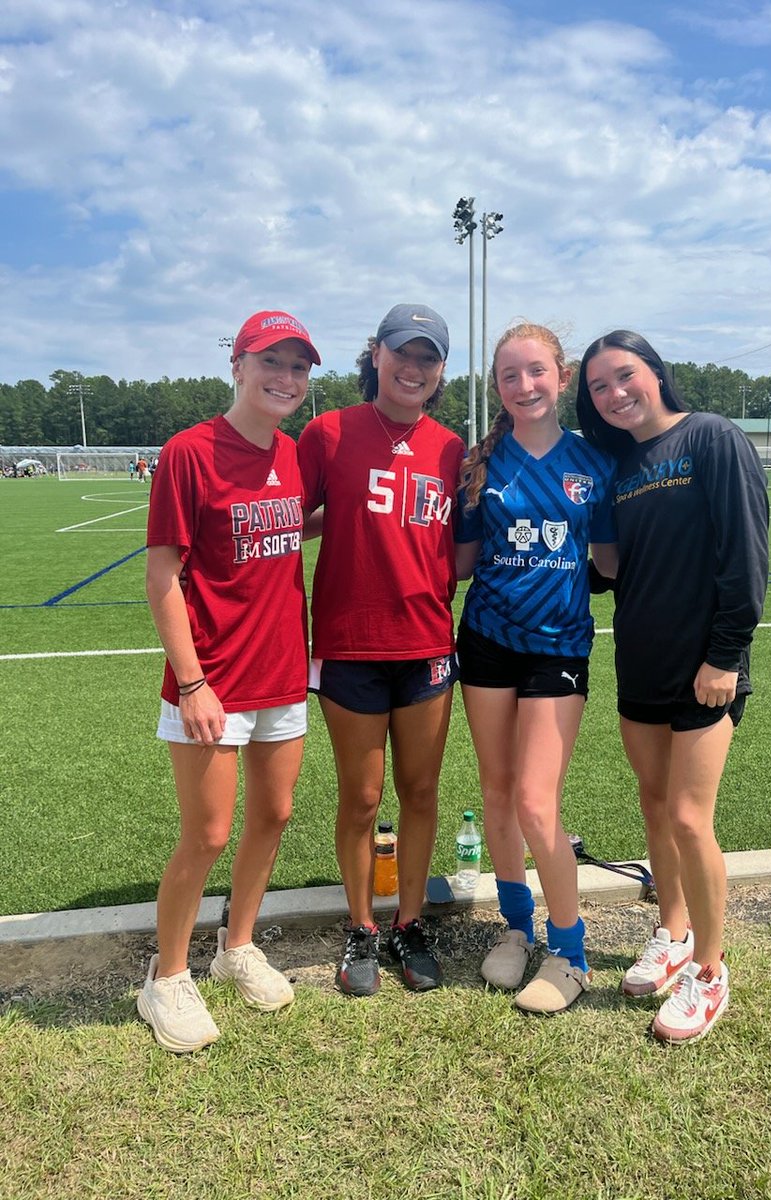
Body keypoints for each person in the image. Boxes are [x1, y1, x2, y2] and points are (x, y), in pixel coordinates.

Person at [576, 329, 769, 1043]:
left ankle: (711, 971)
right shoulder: (621, 466)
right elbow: (614, 569)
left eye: (625, 375)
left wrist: (726, 654)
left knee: (690, 818)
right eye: (598, 386)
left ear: (655, 372)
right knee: (655, 808)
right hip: (642, 661)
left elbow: (746, 554)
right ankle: (674, 932)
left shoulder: (712, 439)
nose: (615, 392)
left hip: (706, 668)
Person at [140, 309, 321, 1053]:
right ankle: (168, 975)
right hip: (210, 681)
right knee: (207, 832)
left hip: (282, 671)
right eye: (269, 362)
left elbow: (284, 523)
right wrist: (191, 682)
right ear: (238, 367)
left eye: (298, 367)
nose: (285, 379)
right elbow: (163, 576)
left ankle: (237, 945)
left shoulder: (295, 453)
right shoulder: (190, 452)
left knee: (273, 816)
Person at [297, 304, 464, 997]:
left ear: (441, 371)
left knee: (420, 791)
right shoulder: (328, 432)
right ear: (375, 353)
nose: (414, 368)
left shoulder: (453, 450)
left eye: (428, 358)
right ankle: (363, 926)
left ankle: (411, 923)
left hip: (426, 644)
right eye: (403, 352)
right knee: (362, 798)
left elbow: (464, 540)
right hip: (349, 646)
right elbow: (292, 518)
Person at [455, 323, 617, 1015]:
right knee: (496, 793)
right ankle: (517, 931)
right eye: (510, 376)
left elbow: (610, 562)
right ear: (498, 388)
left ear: (562, 375)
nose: (524, 386)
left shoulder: (595, 462)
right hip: (488, 642)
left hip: (558, 648)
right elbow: (460, 564)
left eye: (536, 372)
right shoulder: (479, 464)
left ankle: (571, 951)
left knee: (534, 801)